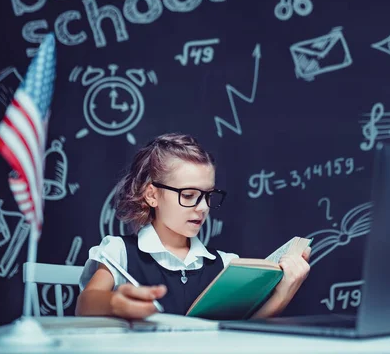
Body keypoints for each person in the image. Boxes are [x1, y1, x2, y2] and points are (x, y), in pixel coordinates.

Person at [76, 132, 311, 320]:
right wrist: (116, 303)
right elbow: (85, 303)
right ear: (152, 195)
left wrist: (285, 291)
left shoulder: (226, 265)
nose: (202, 207)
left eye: (208, 196)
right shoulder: (119, 252)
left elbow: (239, 333)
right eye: (188, 195)